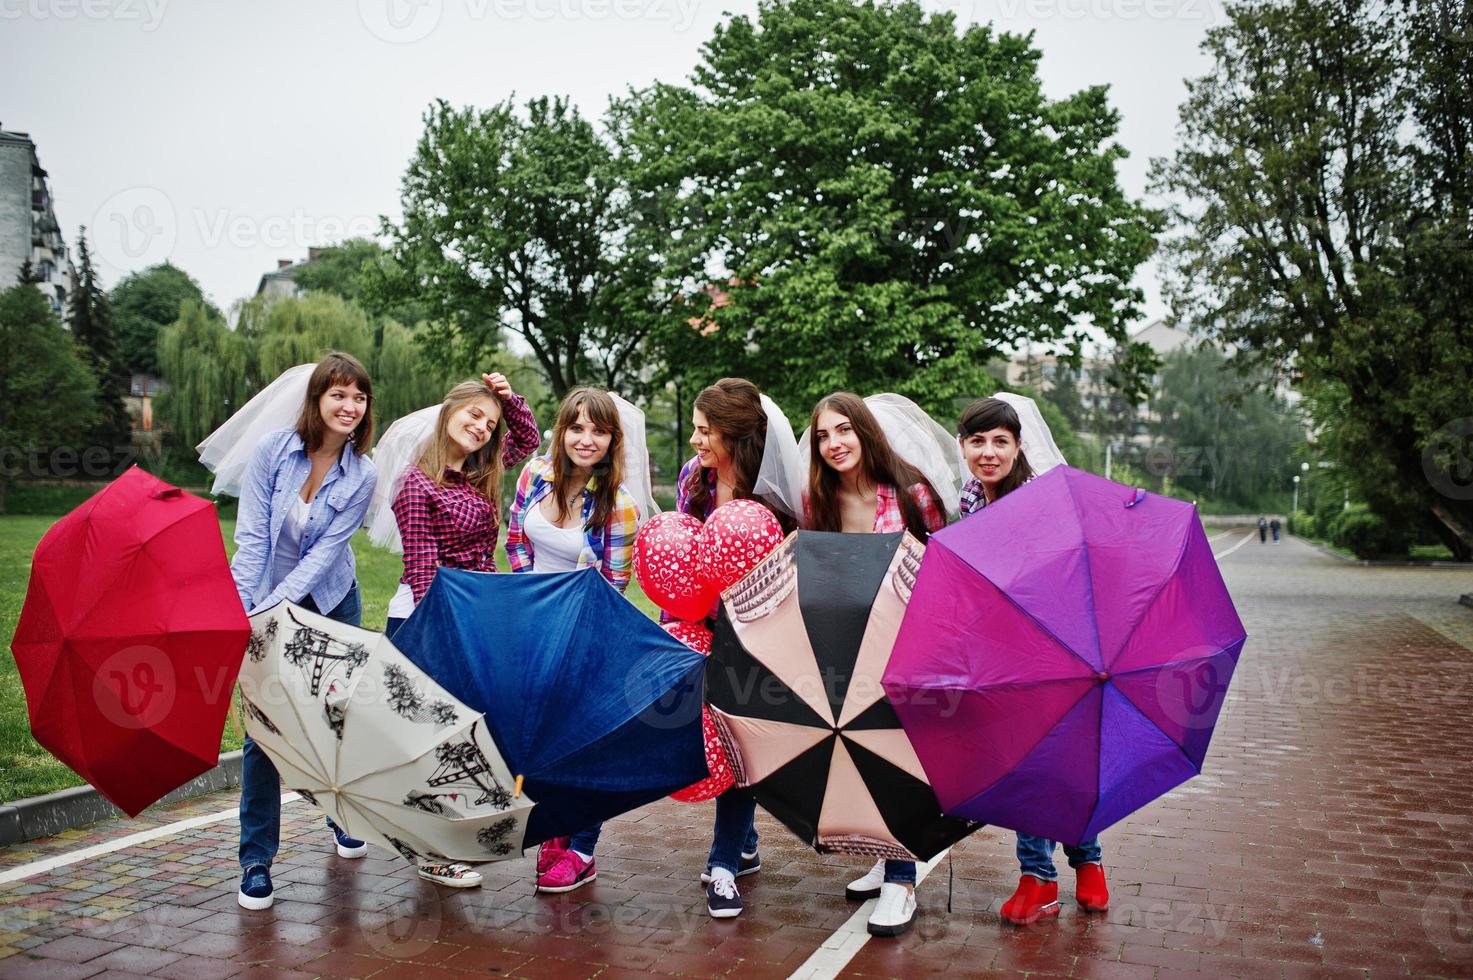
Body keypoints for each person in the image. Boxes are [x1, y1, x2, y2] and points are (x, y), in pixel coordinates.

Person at [221, 353, 378, 911]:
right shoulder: (272, 453)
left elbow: (326, 554)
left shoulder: (362, 473)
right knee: (264, 730)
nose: (349, 406)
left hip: (332, 601)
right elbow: (254, 543)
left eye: (358, 398)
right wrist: (247, 613)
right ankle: (256, 859)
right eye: (338, 395)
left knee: (335, 720)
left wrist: (276, 608)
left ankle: (343, 818)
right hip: (265, 593)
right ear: (315, 400)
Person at [954, 395, 1109, 925]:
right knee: (1027, 765)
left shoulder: (1044, 499)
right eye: (978, 441)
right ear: (963, 447)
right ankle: (1048, 873)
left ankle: (1072, 868)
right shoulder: (968, 502)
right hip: (999, 656)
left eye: (1000, 441)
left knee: (1056, 764)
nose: (989, 452)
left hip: (1056, 650)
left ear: (1018, 446)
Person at [381, 373, 539, 889]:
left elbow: (529, 440)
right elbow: (426, 576)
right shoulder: (416, 484)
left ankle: (449, 833)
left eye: (489, 424)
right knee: (429, 736)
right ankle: (430, 851)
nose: (481, 427)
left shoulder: (479, 473)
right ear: (447, 411)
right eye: (473, 415)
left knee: (465, 733)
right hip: (428, 620)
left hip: (474, 612)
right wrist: (457, 640)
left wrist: (510, 400)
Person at [806, 392, 947, 938]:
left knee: (896, 761)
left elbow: (940, 570)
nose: (834, 444)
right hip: (846, 646)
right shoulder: (819, 500)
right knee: (857, 760)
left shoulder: (911, 493)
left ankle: (902, 880)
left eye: (843, 430)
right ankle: (881, 855)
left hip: (905, 647)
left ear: (864, 431)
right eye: (822, 435)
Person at [504, 387, 643, 893]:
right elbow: (516, 540)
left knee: (584, 746)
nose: (586, 440)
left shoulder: (619, 507)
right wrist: (533, 596)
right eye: (577, 428)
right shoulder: (534, 476)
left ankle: (582, 847)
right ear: (561, 431)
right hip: (531, 628)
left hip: (585, 637)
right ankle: (553, 826)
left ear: (612, 440)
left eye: (598, 431)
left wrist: (566, 624)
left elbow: (613, 587)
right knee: (538, 737)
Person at [678, 378, 803, 919]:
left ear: (734, 435)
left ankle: (723, 863)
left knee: (739, 746)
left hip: (756, 638)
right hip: (700, 632)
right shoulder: (694, 481)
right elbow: (682, 552)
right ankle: (744, 842)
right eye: (695, 428)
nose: (695, 441)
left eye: (705, 431)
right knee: (714, 746)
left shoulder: (774, 496)